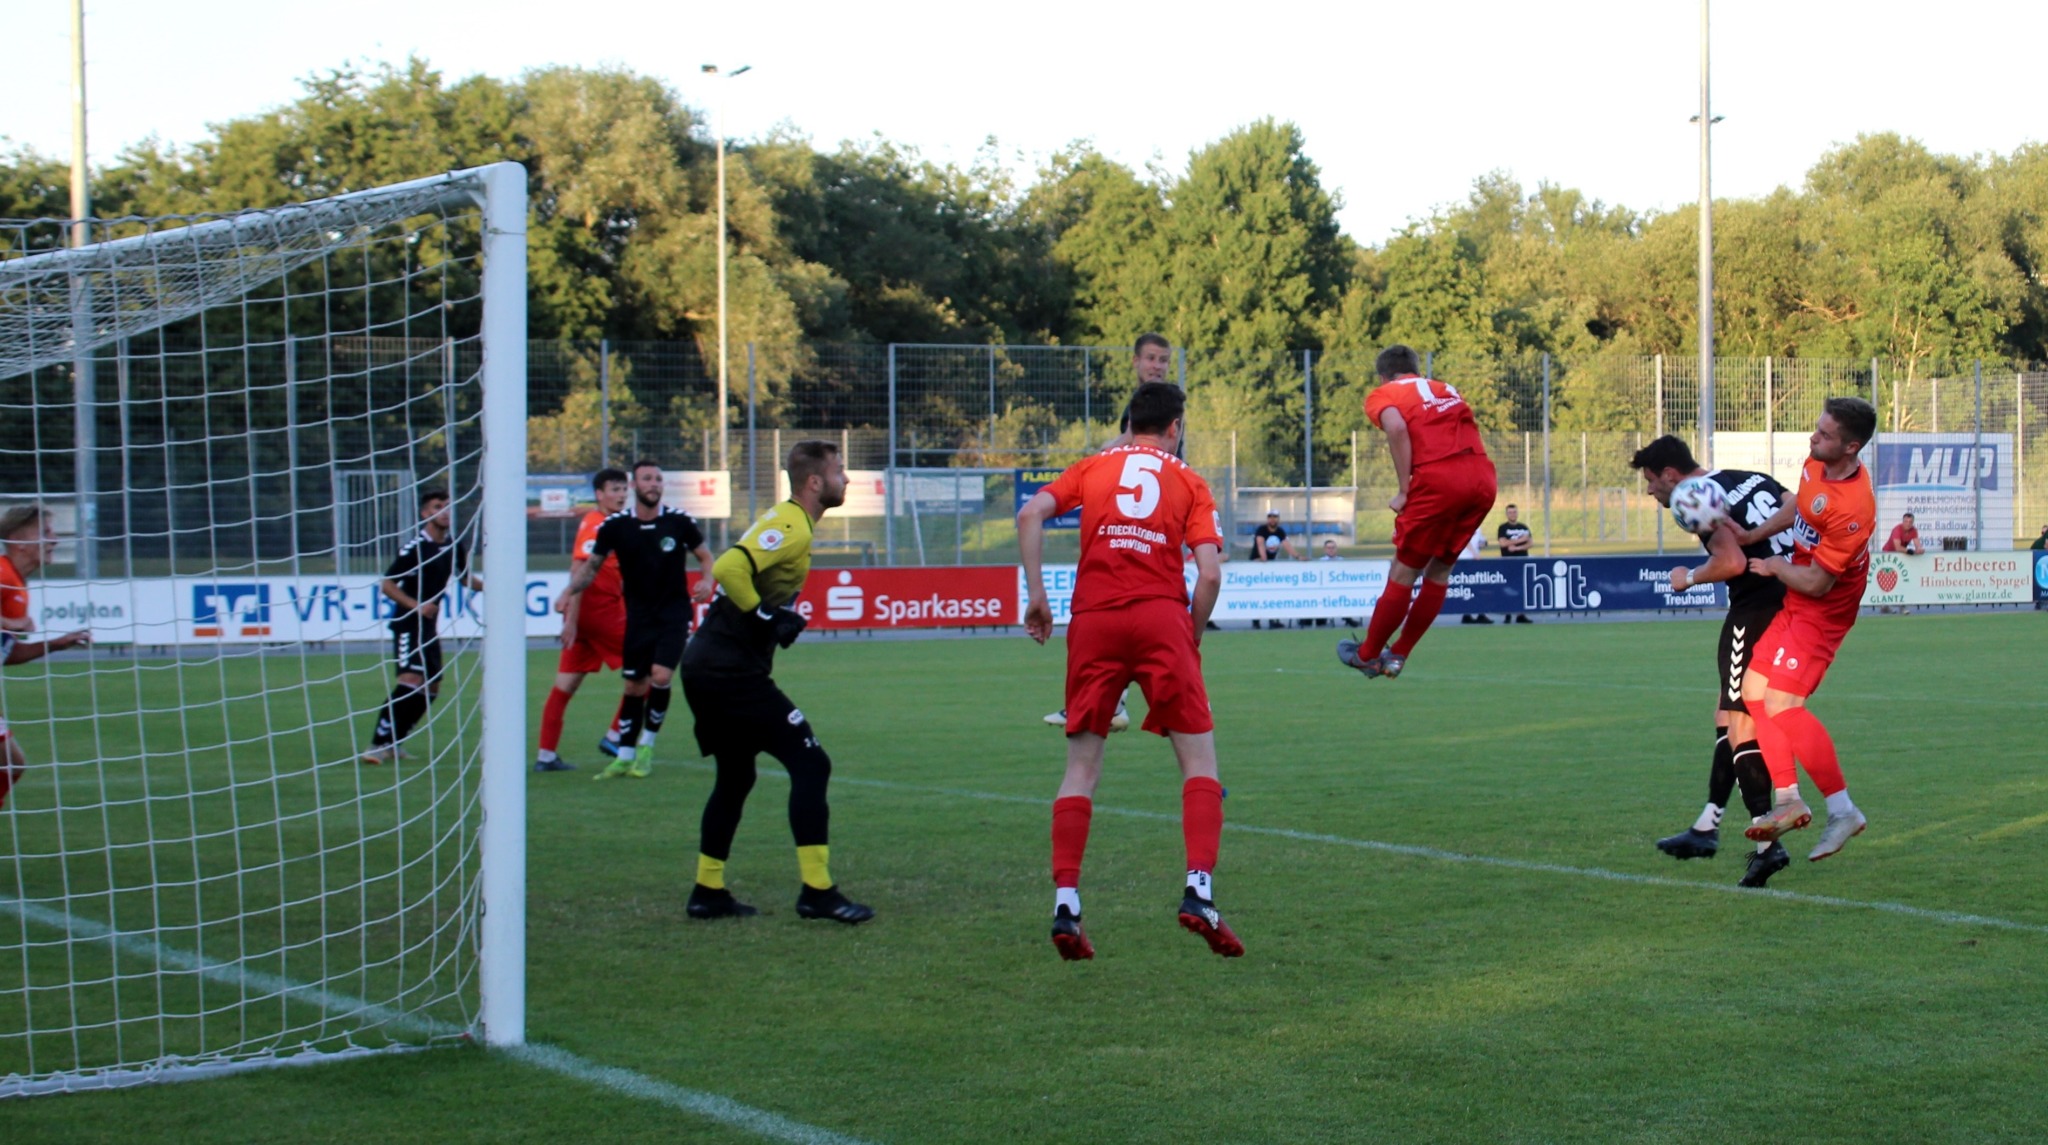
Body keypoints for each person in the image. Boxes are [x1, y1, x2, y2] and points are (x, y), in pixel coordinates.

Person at [1019, 381, 1239, 962]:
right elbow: (1211, 575)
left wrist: (1038, 596)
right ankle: (1199, 892)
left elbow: (1030, 513)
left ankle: (1066, 901)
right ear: (1175, 427)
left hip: (1093, 621)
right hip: (1161, 618)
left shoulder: (1092, 467)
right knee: (1199, 764)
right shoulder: (1188, 480)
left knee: (1081, 769)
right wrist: (1188, 636)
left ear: (1130, 421)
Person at [680, 440, 873, 924]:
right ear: (815, 482)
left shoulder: (789, 521)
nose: (846, 479)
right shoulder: (791, 526)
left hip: (709, 664)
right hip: (728, 672)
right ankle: (818, 892)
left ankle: (708, 891)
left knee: (736, 775)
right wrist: (768, 615)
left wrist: (768, 618)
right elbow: (727, 568)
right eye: (840, 471)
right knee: (812, 763)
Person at [1631, 436, 1799, 888]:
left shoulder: (1694, 499)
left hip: (1757, 609)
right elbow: (1795, 506)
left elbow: (1729, 561)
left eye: (1650, 482)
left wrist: (1689, 577)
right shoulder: (1745, 477)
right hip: (1793, 601)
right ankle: (1708, 824)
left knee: (1740, 722)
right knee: (1728, 714)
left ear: (1670, 475)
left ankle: (1767, 844)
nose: (1650, 492)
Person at [1737, 397, 1879, 862]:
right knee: (1754, 691)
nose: (1813, 439)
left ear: (1851, 447)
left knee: (1783, 702)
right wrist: (1755, 536)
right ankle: (1788, 800)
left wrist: (1775, 565)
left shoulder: (1854, 508)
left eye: (1824, 435)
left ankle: (1843, 811)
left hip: (1823, 611)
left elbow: (1819, 584)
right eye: (1816, 429)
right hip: (1798, 598)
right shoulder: (1816, 464)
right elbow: (1799, 505)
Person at [1338, 345, 1498, 679]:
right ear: (1415, 369)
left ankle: (1367, 655)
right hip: (1482, 478)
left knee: (1403, 571)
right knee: (1439, 573)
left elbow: (1396, 428)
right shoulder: (1444, 388)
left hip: (1438, 480)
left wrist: (1403, 489)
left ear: (1383, 376)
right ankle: (1397, 655)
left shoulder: (1382, 395)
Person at [1044, 333, 1176, 726]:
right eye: (1151, 359)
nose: (1157, 366)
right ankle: (1132, 699)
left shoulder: (1163, 405)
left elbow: (1137, 450)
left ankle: (1128, 699)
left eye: (1163, 360)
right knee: (1139, 609)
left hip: (1149, 521)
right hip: (1141, 518)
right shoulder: (1143, 406)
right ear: (1135, 362)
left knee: (1124, 605)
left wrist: (1105, 451)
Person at [567, 461, 715, 780]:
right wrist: (568, 592)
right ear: (635, 485)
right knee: (634, 686)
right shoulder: (615, 526)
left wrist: (707, 580)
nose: (654, 484)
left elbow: (705, 555)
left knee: (660, 676)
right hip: (637, 616)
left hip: (674, 614)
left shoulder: (678, 521)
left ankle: (646, 746)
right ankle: (624, 755)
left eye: (659, 479)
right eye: (647, 479)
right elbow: (591, 567)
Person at [361, 490, 483, 765]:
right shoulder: (415, 547)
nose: (445, 512)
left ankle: (395, 742)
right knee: (410, 680)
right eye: (438, 507)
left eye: (448, 507)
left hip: (428, 626)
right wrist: (416, 605)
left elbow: (464, 578)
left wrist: (491, 586)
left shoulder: (452, 544)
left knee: (432, 688)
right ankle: (377, 744)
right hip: (408, 622)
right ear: (425, 514)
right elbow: (388, 584)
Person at [534, 468, 632, 772]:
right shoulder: (596, 524)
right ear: (599, 494)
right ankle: (615, 735)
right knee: (651, 667)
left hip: (587, 618)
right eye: (614, 489)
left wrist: (572, 622)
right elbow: (580, 568)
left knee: (565, 685)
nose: (621, 494)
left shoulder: (606, 523)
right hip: (601, 614)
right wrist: (572, 620)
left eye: (623, 489)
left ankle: (546, 756)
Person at [0, 506, 92, 809]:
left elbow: (7, 654)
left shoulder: (16, 583)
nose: (54, 540)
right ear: (19, 541)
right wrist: (10, 623)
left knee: (10, 765)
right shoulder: (2, 574)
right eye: (45, 533)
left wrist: (56, 643)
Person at [1493, 505, 1534, 623]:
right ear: (1506, 514)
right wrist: (1521, 539)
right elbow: (1502, 543)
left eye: (1514, 512)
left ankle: (1521, 614)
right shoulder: (1503, 528)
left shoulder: (1523, 527)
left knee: (1522, 588)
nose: (1512, 514)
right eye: (1510, 512)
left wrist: (1517, 547)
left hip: (1522, 561)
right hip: (1508, 562)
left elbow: (1530, 543)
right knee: (1508, 588)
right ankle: (1508, 613)